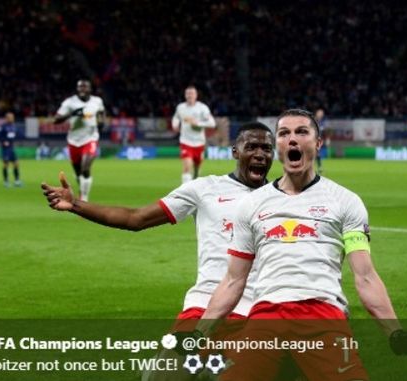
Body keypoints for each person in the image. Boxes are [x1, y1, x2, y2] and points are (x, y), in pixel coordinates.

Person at [198, 109, 407, 380]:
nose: (292, 139)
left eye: (301, 132)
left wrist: (393, 330)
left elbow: (365, 276)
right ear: (278, 145)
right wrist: (199, 333)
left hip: (322, 316)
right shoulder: (251, 206)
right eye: (284, 133)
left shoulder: (345, 201)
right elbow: (233, 281)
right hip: (265, 317)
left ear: (317, 143)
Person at [41, 122, 274, 322]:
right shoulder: (205, 189)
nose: (259, 154)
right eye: (251, 147)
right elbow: (136, 218)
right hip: (206, 302)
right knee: (166, 373)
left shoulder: (283, 198)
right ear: (235, 151)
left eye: (266, 149)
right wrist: (75, 205)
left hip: (260, 309)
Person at [54, 79, 106, 202]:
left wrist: (102, 122)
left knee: (85, 169)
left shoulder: (97, 101)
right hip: (74, 140)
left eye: (85, 87)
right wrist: (72, 114)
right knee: (78, 173)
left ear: (90, 89)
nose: (82, 89)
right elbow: (56, 120)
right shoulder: (69, 103)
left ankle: (84, 198)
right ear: (77, 89)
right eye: (80, 87)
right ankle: (82, 187)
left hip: (90, 138)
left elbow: (102, 112)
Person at [171, 85, 217, 183]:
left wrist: (197, 123)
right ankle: (185, 192)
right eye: (188, 93)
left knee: (196, 170)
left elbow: (212, 123)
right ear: (185, 95)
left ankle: (194, 183)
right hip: (185, 141)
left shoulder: (202, 108)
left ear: (196, 95)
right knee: (187, 166)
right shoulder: (180, 107)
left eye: (192, 93)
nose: (189, 95)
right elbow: (176, 117)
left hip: (199, 142)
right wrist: (175, 125)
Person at [0, 111, 22, 187]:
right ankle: (6, 181)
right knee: (5, 164)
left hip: (11, 148)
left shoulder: (14, 126)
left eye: (13, 117)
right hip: (5, 149)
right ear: (7, 118)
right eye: (11, 117)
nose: (12, 118)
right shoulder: (2, 126)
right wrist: (3, 141)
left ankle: (17, 181)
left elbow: (17, 134)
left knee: (16, 163)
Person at [314, 108, 328, 173]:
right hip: (312, 139)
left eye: (322, 113)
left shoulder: (322, 122)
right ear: (317, 113)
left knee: (317, 154)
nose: (321, 114)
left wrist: (327, 139)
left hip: (318, 140)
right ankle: (318, 167)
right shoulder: (313, 121)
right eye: (320, 113)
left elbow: (324, 132)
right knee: (315, 154)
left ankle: (319, 167)